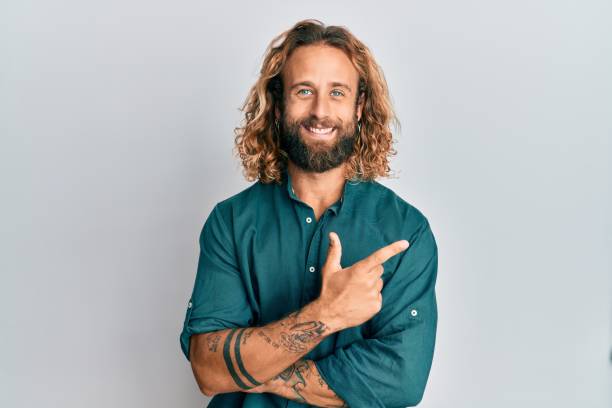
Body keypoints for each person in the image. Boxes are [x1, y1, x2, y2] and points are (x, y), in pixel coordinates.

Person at [179, 19, 439, 408]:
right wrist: (327, 315)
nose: (320, 111)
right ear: (279, 101)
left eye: (337, 92)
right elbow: (208, 370)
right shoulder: (231, 222)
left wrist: (256, 370)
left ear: (359, 105)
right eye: (304, 91)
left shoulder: (405, 231)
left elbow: (401, 380)